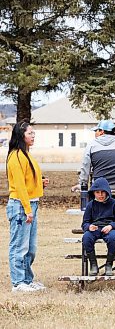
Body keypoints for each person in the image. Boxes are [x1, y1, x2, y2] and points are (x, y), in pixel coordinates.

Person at [72, 120, 115, 229]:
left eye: (97, 130)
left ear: (102, 131)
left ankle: (93, 221)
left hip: (101, 185)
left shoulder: (92, 145)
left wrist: (82, 183)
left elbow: (85, 166)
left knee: (94, 195)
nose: (95, 133)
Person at [6, 120, 49, 292]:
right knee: (19, 246)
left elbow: (28, 181)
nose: (33, 136)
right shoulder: (16, 156)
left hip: (32, 203)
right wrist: (27, 210)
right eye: (30, 133)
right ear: (21, 135)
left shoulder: (27, 154)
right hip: (20, 206)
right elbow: (19, 186)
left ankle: (27, 279)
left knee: (31, 247)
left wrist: (41, 183)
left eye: (33, 133)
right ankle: (18, 283)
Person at [82, 177, 115, 276]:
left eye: (102, 192)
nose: (100, 195)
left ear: (107, 192)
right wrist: (89, 227)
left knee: (113, 238)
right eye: (97, 192)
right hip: (95, 228)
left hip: (109, 228)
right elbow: (84, 223)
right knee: (86, 237)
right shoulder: (90, 205)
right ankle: (93, 264)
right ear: (93, 193)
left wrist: (111, 226)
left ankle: (109, 264)